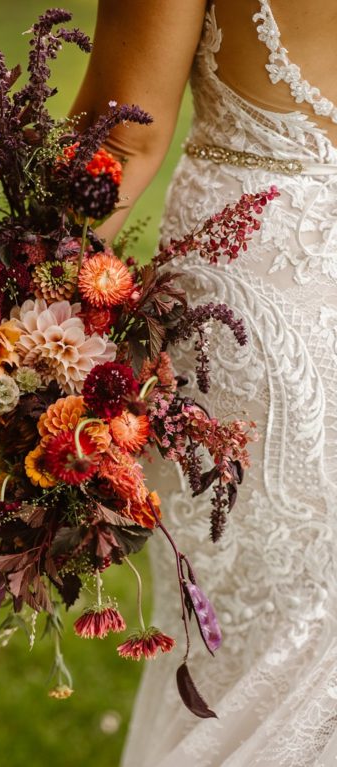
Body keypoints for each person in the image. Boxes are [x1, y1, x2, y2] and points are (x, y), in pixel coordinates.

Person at [71, 1, 337, 764]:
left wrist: (20, 322)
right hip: (273, 320)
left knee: (258, 655)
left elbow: (122, 132)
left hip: (263, 317)